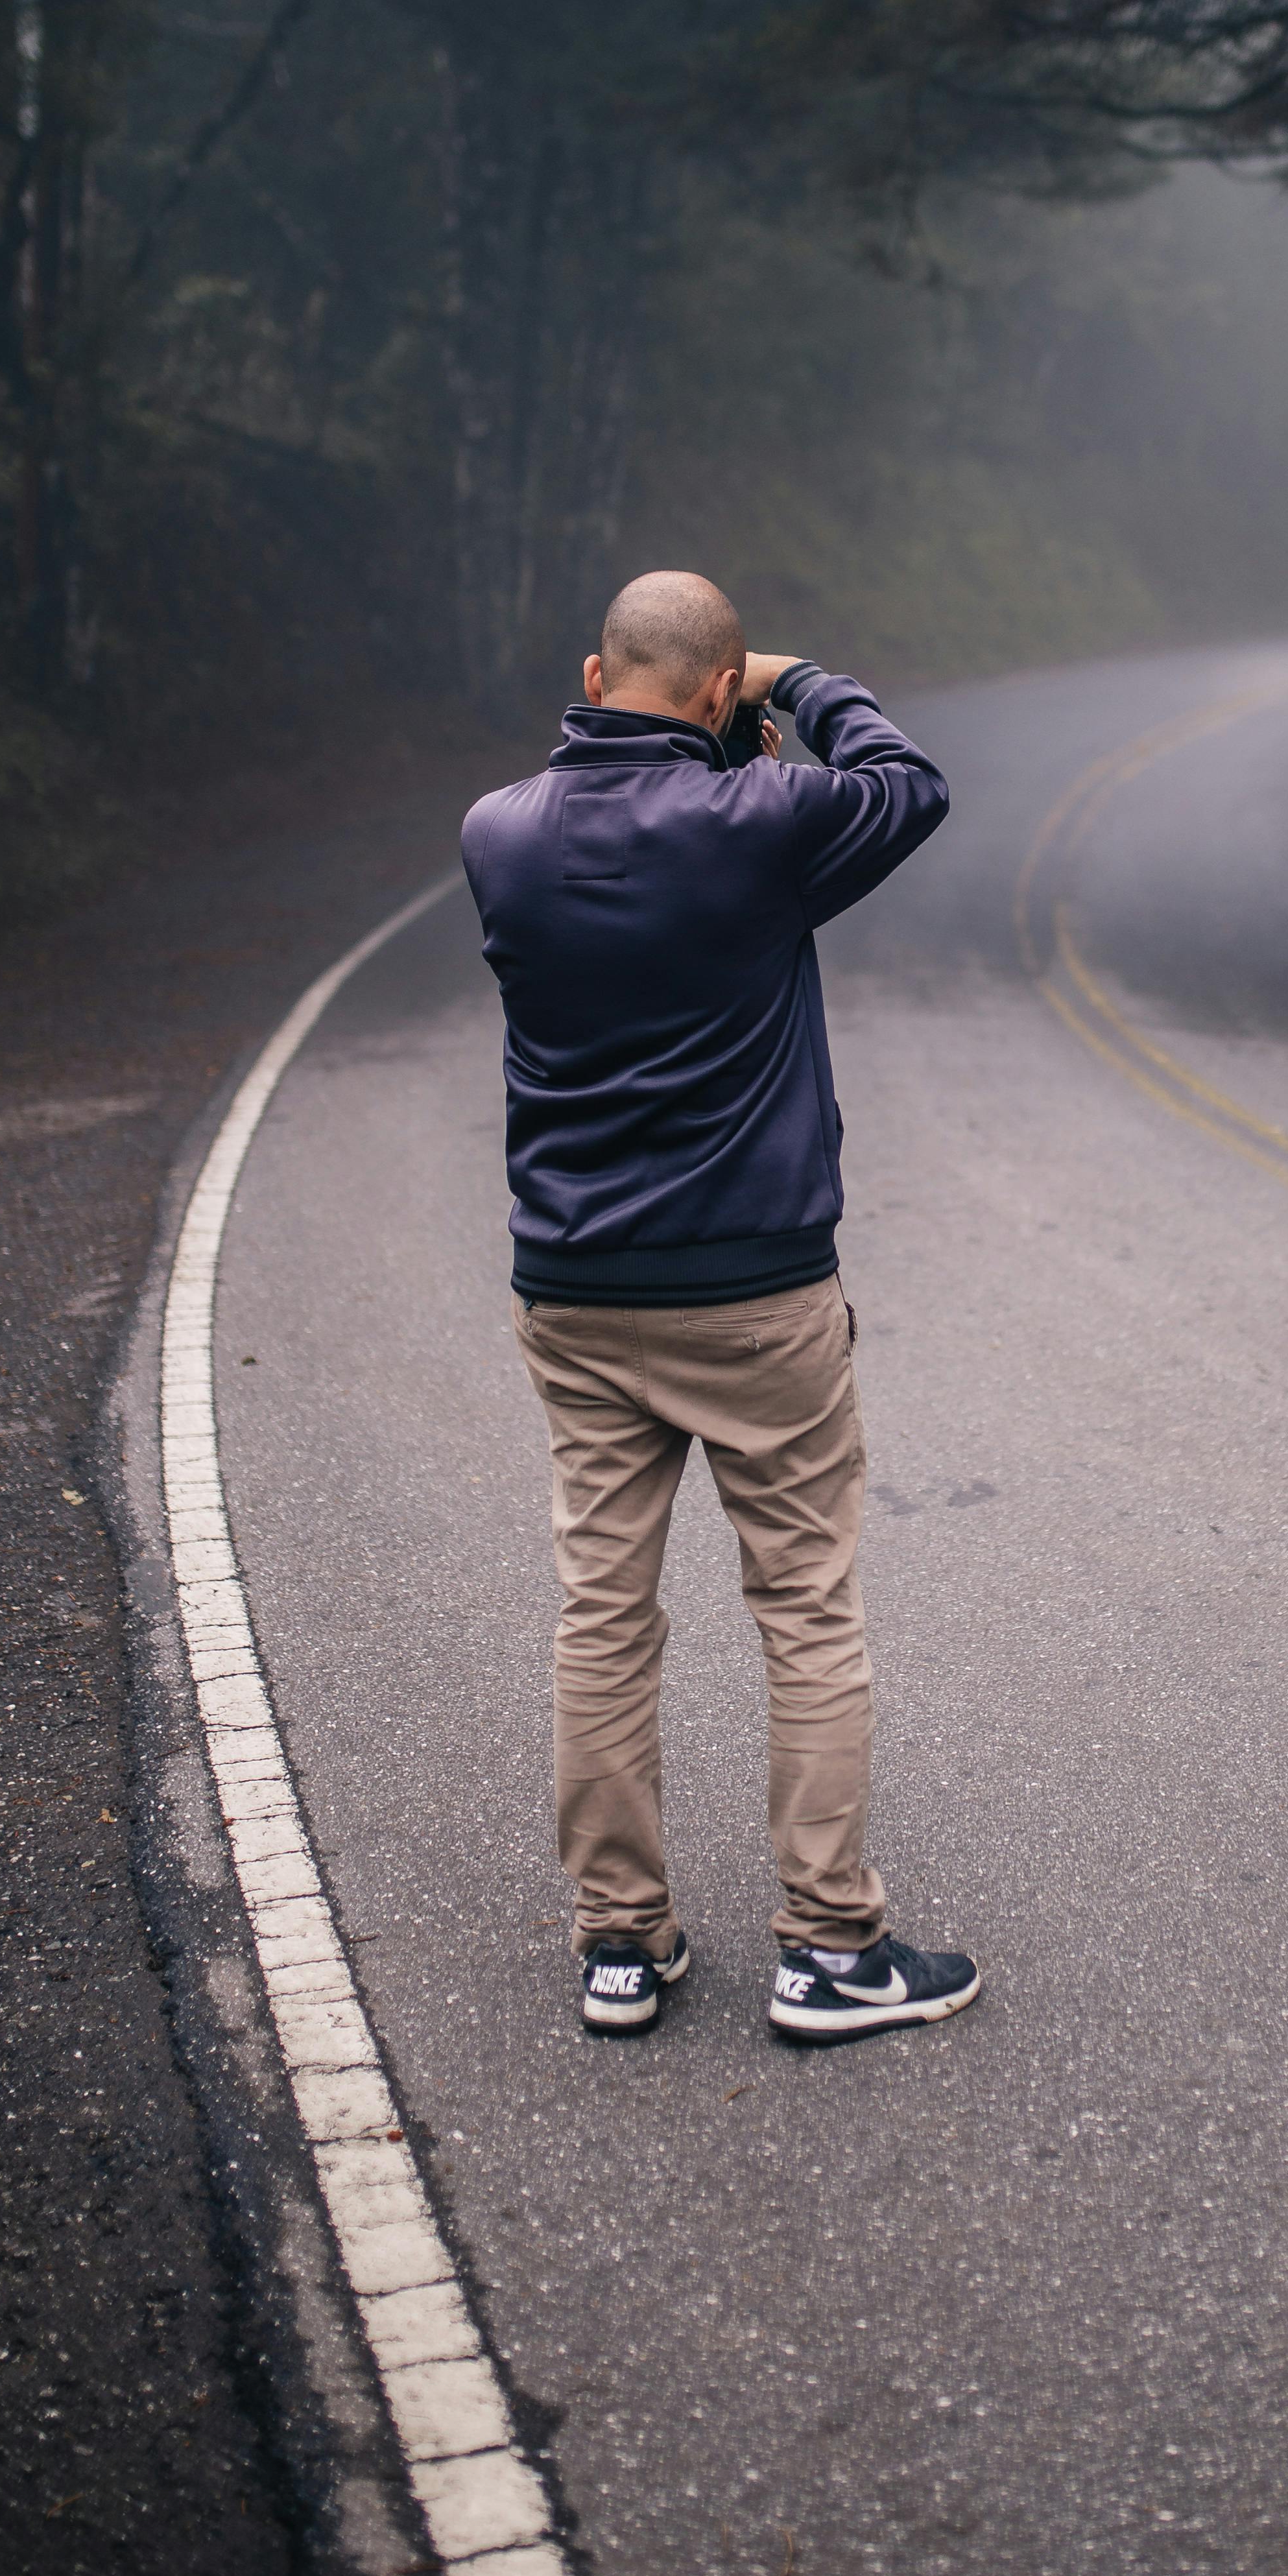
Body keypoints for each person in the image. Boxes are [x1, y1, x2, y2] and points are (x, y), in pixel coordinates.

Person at [461, 569, 982, 2045]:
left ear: (590, 670)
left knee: (603, 1617)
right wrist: (799, 681)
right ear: (719, 695)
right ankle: (828, 1952)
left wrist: (713, 731)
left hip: (572, 1289)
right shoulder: (765, 823)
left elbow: (626, 842)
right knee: (806, 1610)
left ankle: (619, 1946)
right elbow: (908, 782)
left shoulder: (495, 835)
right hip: (754, 1293)